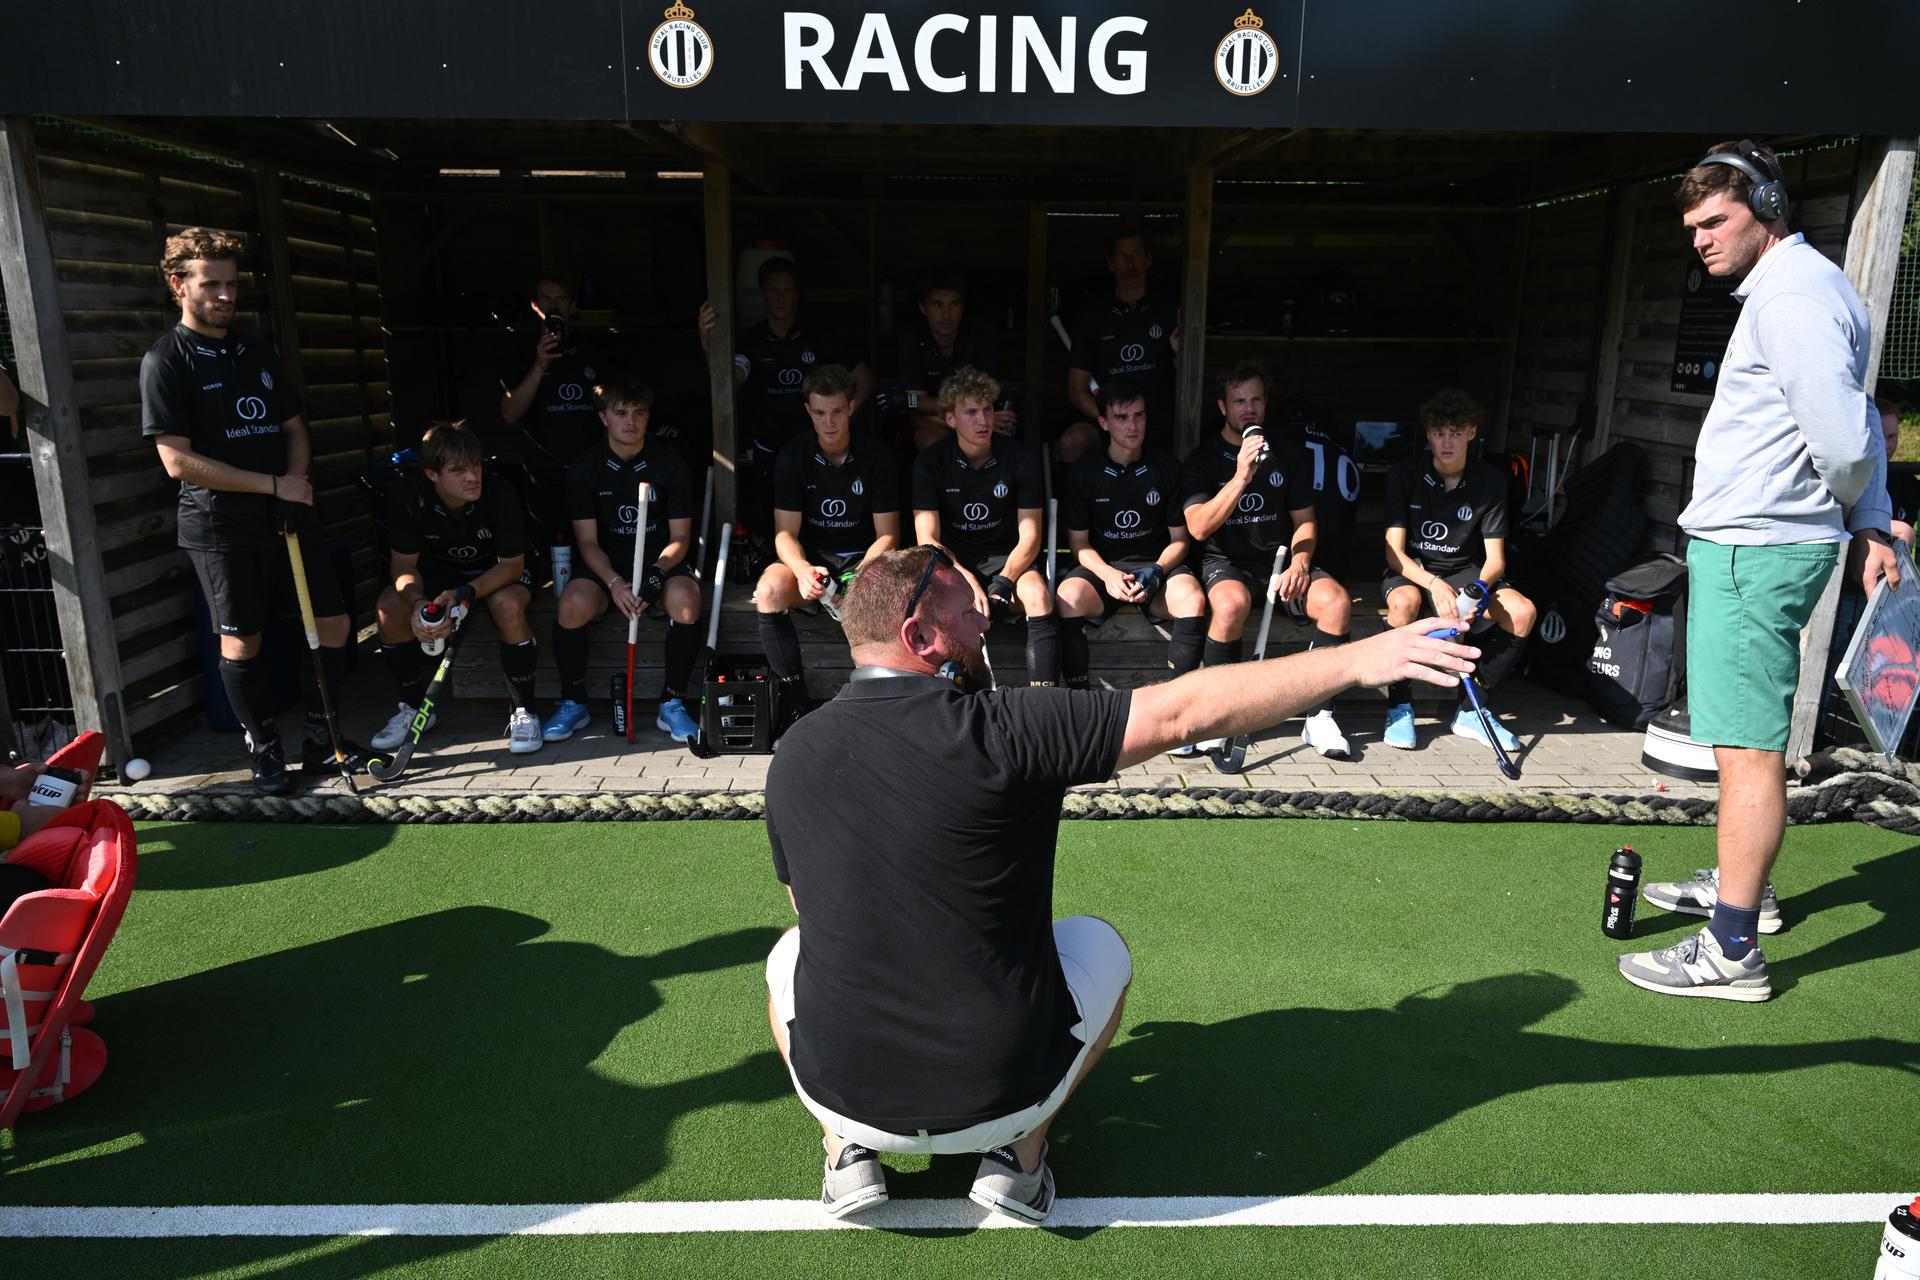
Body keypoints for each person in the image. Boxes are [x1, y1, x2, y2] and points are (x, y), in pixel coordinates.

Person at [763, 545, 1477, 1221]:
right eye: (967, 610)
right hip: (1002, 1093)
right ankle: (1018, 1156)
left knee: (790, 950)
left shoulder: (792, 753)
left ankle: (845, 1149)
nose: (986, 618)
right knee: (1099, 944)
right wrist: (1365, 657)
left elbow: (814, 912)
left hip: (845, 1093)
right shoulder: (1008, 728)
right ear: (920, 636)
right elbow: (1188, 709)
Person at [1619, 140, 1899, 1003]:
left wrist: (1864, 511)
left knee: (1746, 753)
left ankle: (1732, 947)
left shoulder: (1791, 301)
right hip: (1761, 546)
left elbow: (1850, 442)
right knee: (1745, 741)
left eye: (1717, 220)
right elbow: (1859, 421)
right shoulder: (1808, 288)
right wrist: (1869, 517)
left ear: (1768, 206)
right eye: (1693, 226)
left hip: (1758, 550)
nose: (1701, 239)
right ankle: (1748, 888)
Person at [140, 226, 369, 795]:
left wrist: (293, 482)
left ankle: (323, 741)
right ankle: (265, 750)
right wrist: (272, 486)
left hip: (288, 512)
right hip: (222, 527)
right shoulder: (166, 361)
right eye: (211, 284)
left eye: (231, 285)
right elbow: (177, 461)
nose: (225, 295)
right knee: (245, 642)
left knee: (336, 624)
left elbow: (294, 427)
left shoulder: (254, 349)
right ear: (178, 286)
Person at [1180, 363, 1353, 760]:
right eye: (1239, 401)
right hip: (1227, 563)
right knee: (1229, 605)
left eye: (1256, 399)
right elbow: (1200, 528)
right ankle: (1217, 714)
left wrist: (1301, 563)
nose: (1249, 408)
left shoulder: (1287, 452)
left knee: (1337, 603)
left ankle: (1319, 715)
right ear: (1223, 406)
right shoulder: (1203, 459)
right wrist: (1242, 475)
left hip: (1280, 564)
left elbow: (1305, 522)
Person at [543, 377, 704, 746]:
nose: (630, 421)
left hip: (659, 563)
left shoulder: (670, 464)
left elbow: (680, 539)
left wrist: (656, 574)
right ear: (603, 418)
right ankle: (573, 701)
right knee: (571, 605)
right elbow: (586, 541)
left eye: (639, 413)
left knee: (687, 602)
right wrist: (615, 583)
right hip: (606, 566)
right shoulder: (586, 468)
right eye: (620, 413)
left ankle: (672, 702)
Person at [369, 421, 542, 758]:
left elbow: (511, 565)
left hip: (497, 571)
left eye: (475, 466)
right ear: (433, 474)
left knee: (507, 604)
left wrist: (467, 592)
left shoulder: (499, 491)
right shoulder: (408, 495)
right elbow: (403, 567)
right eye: (458, 470)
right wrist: (418, 602)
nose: (472, 476)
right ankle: (414, 709)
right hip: (441, 574)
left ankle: (525, 712)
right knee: (389, 607)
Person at [1380, 388, 1535, 753]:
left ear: (1471, 432)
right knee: (1403, 603)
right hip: (1416, 572)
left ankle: (1471, 709)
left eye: (1455, 431)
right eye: (1438, 433)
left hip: (1466, 573)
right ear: (1428, 435)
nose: (1446, 442)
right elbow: (1394, 555)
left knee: (1523, 612)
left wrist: (1477, 590)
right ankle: (1399, 706)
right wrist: (1434, 585)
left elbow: (1495, 558)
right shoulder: (1405, 473)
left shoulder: (1490, 480)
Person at [756, 365, 902, 718]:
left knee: (898, 592)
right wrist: (803, 570)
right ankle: (795, 701)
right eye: (820, 413)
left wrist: (859, 576)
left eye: (837, 411)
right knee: (769, 589)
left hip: (864, 560)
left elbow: (889, 535)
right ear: (808, 411)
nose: (830, 422)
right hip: (813, 560)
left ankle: (883, 704)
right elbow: (784, 534)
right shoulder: (793, 456)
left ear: (851, 406)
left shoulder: (877, 454)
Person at [699, 258, 874, 536]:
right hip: (769, 447)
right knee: (772, 528)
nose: (781, 298)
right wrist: (709, 344)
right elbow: (729, 381)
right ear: (762, 294)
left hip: (818, 446)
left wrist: (842, 418)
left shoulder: (818, 335)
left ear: (797, 293)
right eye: (773, 290)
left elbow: (863, 377)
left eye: (787, 290)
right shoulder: (752, 340)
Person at [1055, 381, 1207, 690]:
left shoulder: (1166, 467)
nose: (1133, 425)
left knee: (1193, 599)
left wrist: (1157, 571)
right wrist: (1109, 575)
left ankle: (1180, 703)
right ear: (1103, 423)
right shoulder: (1084, 472)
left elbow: (1180, 539)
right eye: (1122, 418)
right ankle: (1080, 703)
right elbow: (1078, 544)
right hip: (1103, 569)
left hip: (1156, 567)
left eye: (1139, 416)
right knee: (1067, 598)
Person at [912, 367, 1059, 685]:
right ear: (950, 419)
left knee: (1038, 594)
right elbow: (928, 539)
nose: (983, 420)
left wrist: (1004, 580)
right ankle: (951, 700)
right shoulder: (931, 462)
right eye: (971, 412)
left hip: (1008, 560)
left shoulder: (1020, 458)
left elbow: (1031, 535)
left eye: (988, 409)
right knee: (934, 604)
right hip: (953, 561)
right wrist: (967, 580)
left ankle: (1043, 701)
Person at [498, 271, 615, 553]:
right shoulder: (521, 354)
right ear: (535, 305)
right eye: (546, 299)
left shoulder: (594, 353)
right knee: (550, 557)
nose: (554, 306)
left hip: (592, 474)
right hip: (543, 475)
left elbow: (617, 410)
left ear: (572, 306)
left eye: (560, 299)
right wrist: (539, 366)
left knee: (595, 552)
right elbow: (510, 413)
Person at [1059, 224, 1180, 464]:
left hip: (1157, 421)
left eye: (1136, 255)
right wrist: (1112, 420)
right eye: (1123, 256)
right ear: (1111, 263)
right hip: (1107, 421)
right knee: (1071, 443)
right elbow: (1077, 390)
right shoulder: (1093, 316)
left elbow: (1188, 376)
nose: (1131, 263)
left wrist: (1180, 355)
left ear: (1148, 259)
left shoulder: (1169, 310)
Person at [888, 267, 1012, 451]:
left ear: (963, 307)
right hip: (938, 425)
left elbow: (982, 402)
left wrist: (936, 409)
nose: (946, 314)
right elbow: (916, 411)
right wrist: (965, 417)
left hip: (975, 424)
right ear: (923, 308)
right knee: (931, 439)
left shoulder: (982, 335)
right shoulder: (911, 338)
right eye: (937, 305)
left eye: (953, 304)